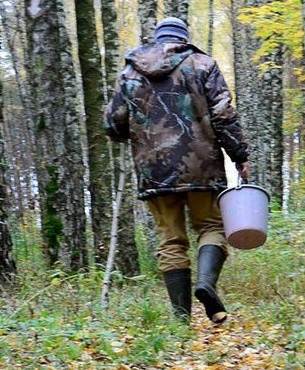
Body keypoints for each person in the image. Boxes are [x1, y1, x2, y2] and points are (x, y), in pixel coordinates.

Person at [104, 17, 250, 324]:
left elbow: (112, 123)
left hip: (154, 169)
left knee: (170, 240)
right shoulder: (201, 64)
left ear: (157, 39)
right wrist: (239, 155)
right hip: (202, 166)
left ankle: (181, 320)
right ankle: (206, 284)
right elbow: (223, 114)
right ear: (183, 38)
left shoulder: (130, 72)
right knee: (211, 227)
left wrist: (139, 133)